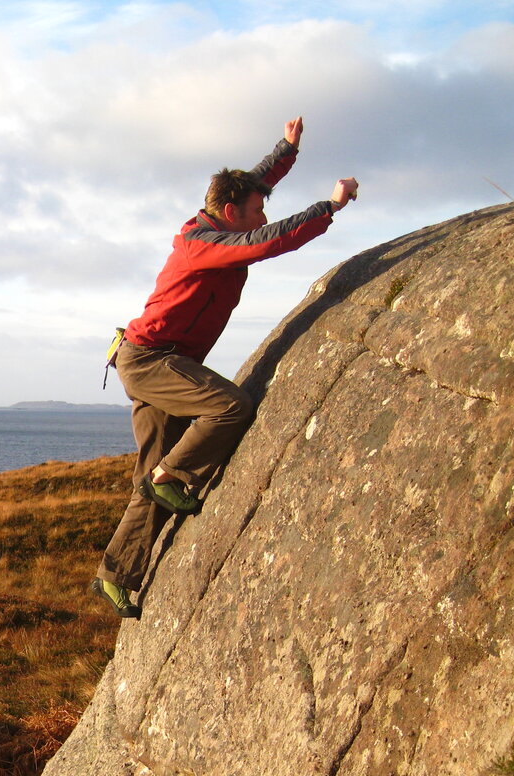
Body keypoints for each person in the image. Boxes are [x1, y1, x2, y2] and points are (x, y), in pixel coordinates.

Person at [92, 117, 358, 618]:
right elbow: (270, 239)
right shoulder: (206, 244)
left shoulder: (220, 220)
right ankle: (172, 477)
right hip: (151, 360)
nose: (261, 216)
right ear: (231, 212)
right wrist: (329, 208)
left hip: (162, 359)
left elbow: (255, 185)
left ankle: (114, 575)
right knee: (230, 407)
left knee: (151, 476)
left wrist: (286, 149)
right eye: (255, 211)